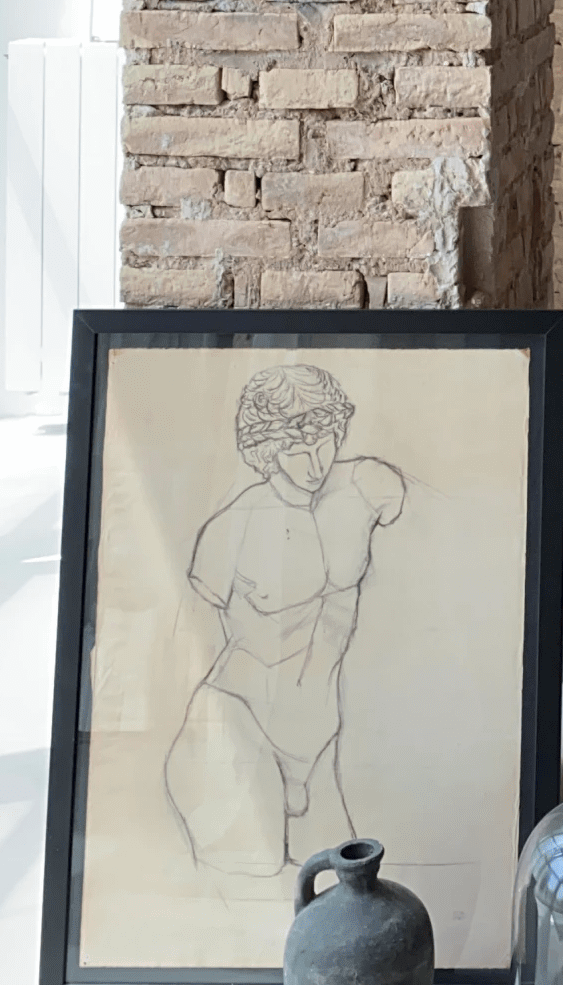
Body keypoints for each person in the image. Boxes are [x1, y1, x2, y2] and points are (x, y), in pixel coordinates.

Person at [164, 364, 407, 876]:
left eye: (324, 440)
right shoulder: (232, 526)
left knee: (345, 892)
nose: (315, 460)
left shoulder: (366, 487)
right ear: (267, 447)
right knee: (251, 893)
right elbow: (184, 637)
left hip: (319, 741)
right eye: (296, 447)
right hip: (238, 725)